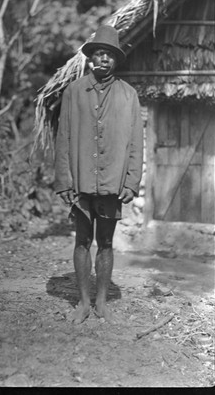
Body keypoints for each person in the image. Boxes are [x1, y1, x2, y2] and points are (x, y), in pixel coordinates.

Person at [54, 25, 143, 324]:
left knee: (106, 242)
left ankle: (102, 302)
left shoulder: (129, 95)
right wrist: (64, 180)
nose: (104, 59)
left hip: (111, 181)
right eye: (99, 53)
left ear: (116, 60)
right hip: (80, 180)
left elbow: (136, 141)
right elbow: (63, 137)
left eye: (110, 55)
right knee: (82, 240)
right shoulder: (74, 92)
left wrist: (131, 181)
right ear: (91, 58)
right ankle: (82, 302)